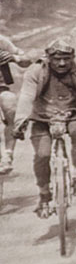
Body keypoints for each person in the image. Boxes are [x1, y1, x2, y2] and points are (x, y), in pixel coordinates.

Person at [13, 39, 76, 216]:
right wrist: (20, 120)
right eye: (57, 59)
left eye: (66, 58)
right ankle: (44, 194)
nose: (62, 63)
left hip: (74, 112)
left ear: (73, 58)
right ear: (48, 58)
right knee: (42, 154)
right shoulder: (36, 71)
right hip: (42, 116)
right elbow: (26, 97)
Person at [0, 31, 33, 175]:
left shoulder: (1, 41)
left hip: (1, 88)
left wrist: (15, 58)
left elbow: (27, 60)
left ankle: (7, 153)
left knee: (11, 104)